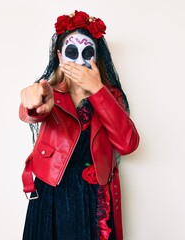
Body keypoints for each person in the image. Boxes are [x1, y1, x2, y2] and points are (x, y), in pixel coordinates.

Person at [19, 10, 140, 240]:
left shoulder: (111, 96)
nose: (80, 61)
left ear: (97, 58)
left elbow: (128, 144)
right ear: (59, 56)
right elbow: (30, 110)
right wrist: (32, 102)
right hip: (52, 195)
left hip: (93, 197)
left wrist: (97, 90)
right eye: (71, 52)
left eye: (87, 53)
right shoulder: (49, 92)